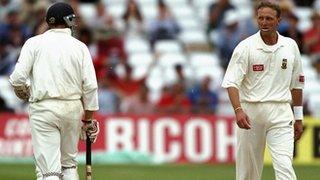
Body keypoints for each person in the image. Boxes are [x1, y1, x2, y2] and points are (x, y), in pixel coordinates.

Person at [9, 2, 99, 180]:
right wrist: (88, 120)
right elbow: (90, 87)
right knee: (69, 166)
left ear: (47, 21)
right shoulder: (80, 47)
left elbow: (17, 78)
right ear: (69, 20)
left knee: (48, 171)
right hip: (72, 109)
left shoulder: (34, 43)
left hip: (43, 108)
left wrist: (23, 91)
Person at [221, 1, 304, 180]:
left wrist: (298, 117)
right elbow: (231, 82)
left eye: (269, 18)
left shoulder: (290, 46)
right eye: (260, 18)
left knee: (285, 167)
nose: (264, 22)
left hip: (281, 112)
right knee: (248, 173)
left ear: (278, 20)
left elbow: (296, 84)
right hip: (251, 112)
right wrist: (238, 110)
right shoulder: (246, 47)